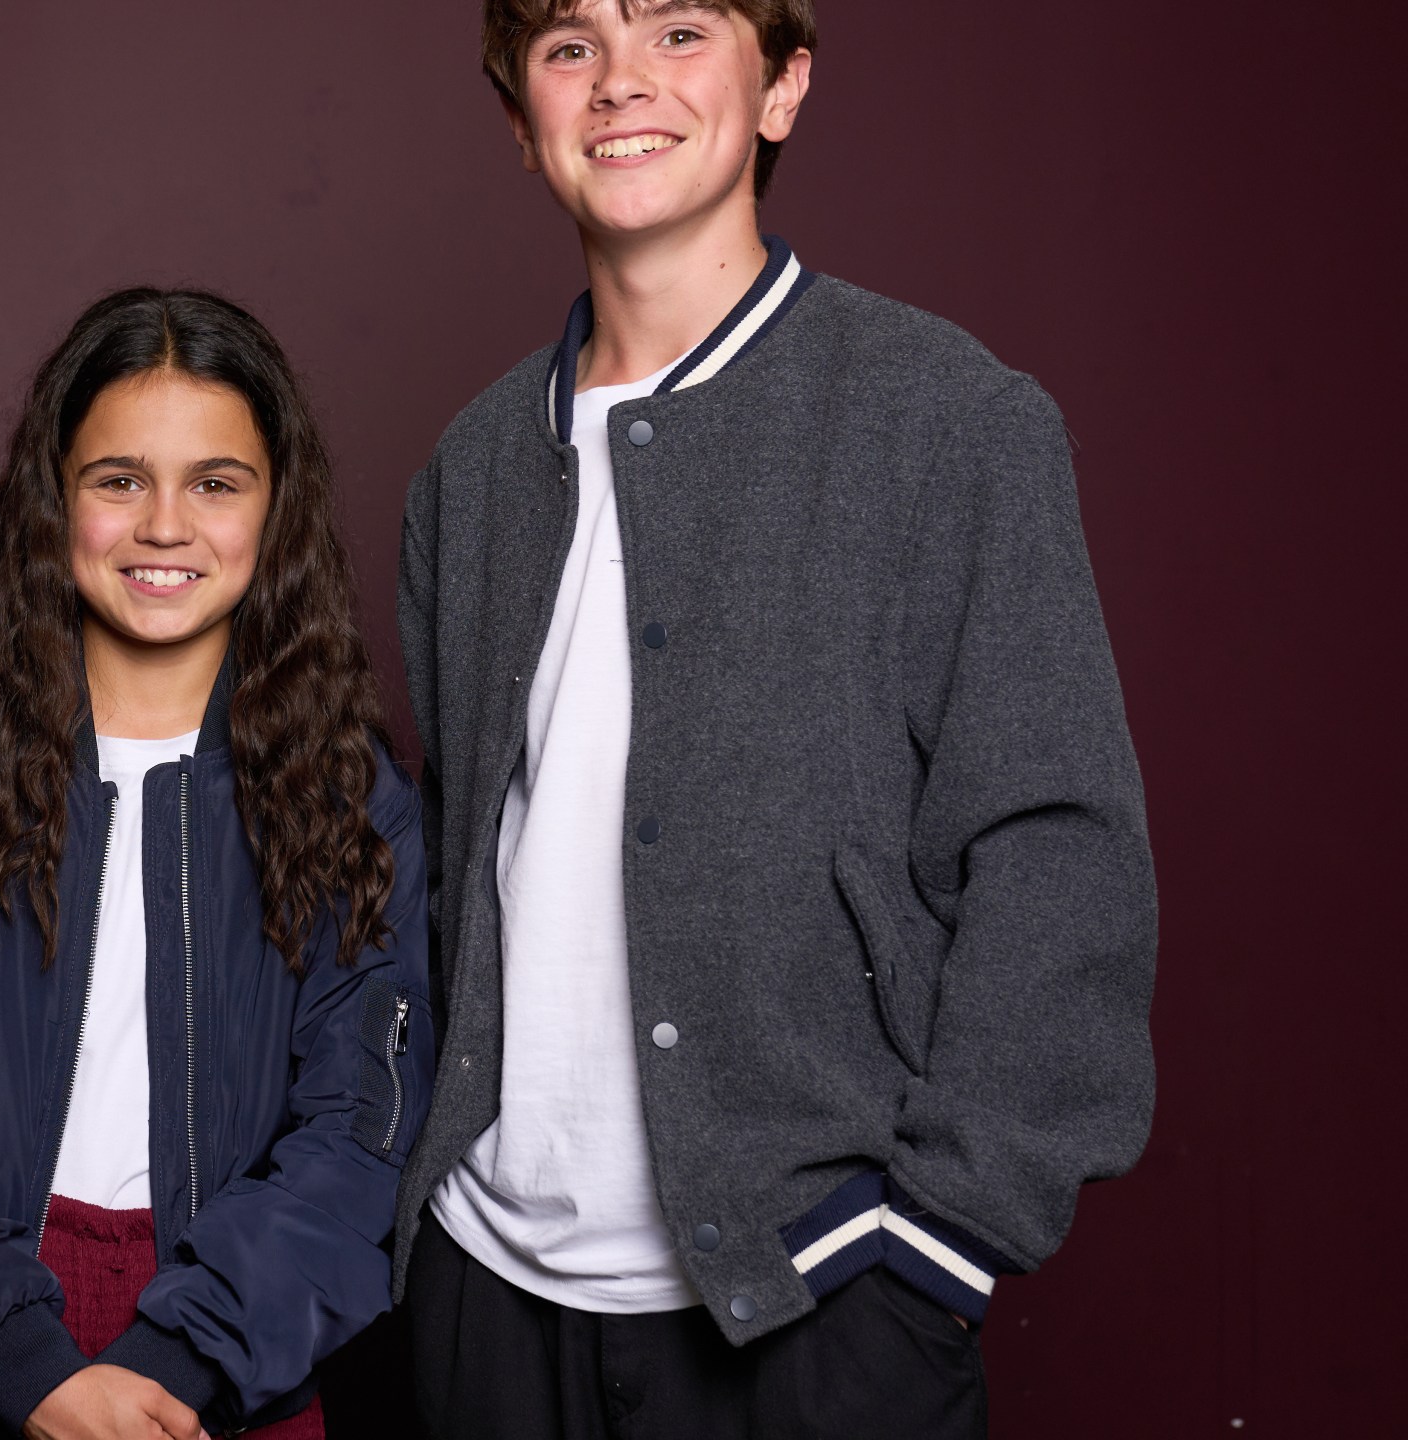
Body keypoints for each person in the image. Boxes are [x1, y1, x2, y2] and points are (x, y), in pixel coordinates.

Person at [393, 3, 1159, 1436]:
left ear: (783, 86)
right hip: (487, 1302)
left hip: (813, 1306)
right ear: (518, 117)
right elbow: (458, 861)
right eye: (569, 45)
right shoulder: (473, 469)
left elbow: (1062, 852)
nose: (623, 80)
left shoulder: (946, 420)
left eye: (681, 28)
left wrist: (935, 1240)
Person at [0, 289, 434, 1440]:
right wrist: (26, 1368)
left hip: (232, 1357)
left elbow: (359, 1134)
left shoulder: (351, 803)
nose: (163, 526)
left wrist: (180, 1361)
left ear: (275, 510)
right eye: (118, 480)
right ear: (55, 500)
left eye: (213, 482)